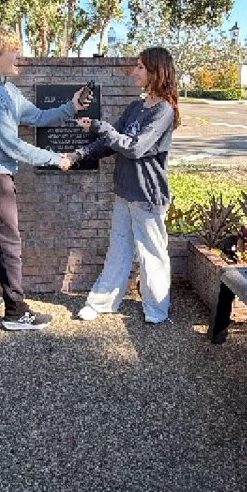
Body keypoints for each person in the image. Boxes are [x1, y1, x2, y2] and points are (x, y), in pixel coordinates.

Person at [0, 26, 91, 331]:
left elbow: (39, 117)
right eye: (13, 50)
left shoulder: (7, 89)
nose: (20, 55)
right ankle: (16, 311)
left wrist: (72, 106)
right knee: (7, 242)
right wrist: (58, 159)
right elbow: (12, 145)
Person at [69, 46, 180, 324]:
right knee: (118, 247)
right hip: (124, 191)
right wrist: (79, 154)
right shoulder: (135, 107)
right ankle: (102, 302)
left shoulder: (163, 111)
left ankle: (156, 310)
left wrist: (100, 126)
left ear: (157, 71)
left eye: (141, 67)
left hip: (147, 194)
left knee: (152, 254)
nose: (135, 72)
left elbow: (135, 148)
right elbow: (111, 142)